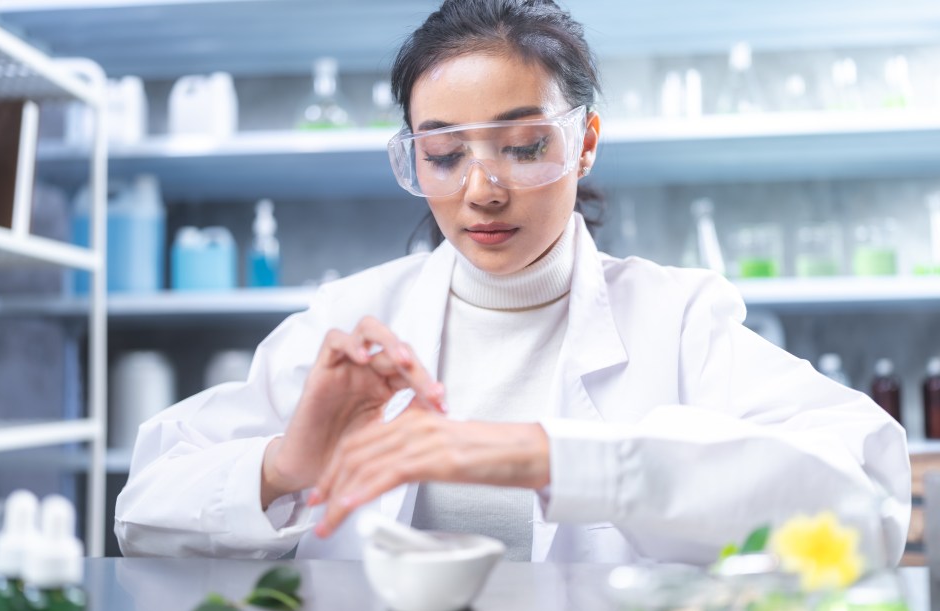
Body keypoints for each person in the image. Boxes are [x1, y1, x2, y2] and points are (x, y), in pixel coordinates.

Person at [115, 0, 911, 564]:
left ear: (586, 141)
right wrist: (288, 463)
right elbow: (141, 509)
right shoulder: (353, 319)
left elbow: (865, 498)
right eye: (445, 154)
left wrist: (541, 455)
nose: (482, 190)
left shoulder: (677, 318)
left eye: (524, 147)